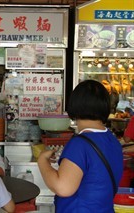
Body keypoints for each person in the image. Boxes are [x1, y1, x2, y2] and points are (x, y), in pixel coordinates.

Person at [37, 80, 123, 213]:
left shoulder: (80, 144)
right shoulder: (113, 141)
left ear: (75, 106)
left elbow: (63, 188)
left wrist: (42, 161)